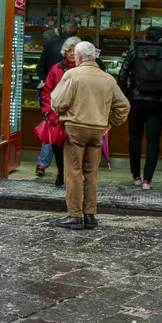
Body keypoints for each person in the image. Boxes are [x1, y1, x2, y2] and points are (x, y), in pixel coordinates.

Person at [50, 41, 129, 231]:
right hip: (97, 129)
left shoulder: (72, 75)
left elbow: (57, 102)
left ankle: (75, 215)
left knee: (74, 172)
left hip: (75, 128)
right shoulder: (107, 78)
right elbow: (124, 106)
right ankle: (90, 214)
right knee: (91, 173)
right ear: (94, 57)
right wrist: (110, 122)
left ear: (78, 56)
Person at [118, 26, 162, 191]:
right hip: (159, 103)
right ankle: (147, 180)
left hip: (136, 101)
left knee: (135, 137)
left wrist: (126, 96)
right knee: (153, 140)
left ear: (144, 37)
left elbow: (122, 75)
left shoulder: (133, 53)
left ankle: (136, 176)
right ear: (160, 39)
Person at [36, 36, 79, 185]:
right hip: (57, 115)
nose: (71, 53)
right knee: (57, 146)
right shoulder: (56, 69)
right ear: (64, 52)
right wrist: (47, 110)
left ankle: (70, 174)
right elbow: (47, 91)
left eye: (74, 50)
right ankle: (61, 171)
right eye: (69, 50)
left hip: (77, 115)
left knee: (74, 147)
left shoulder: (83, 69)